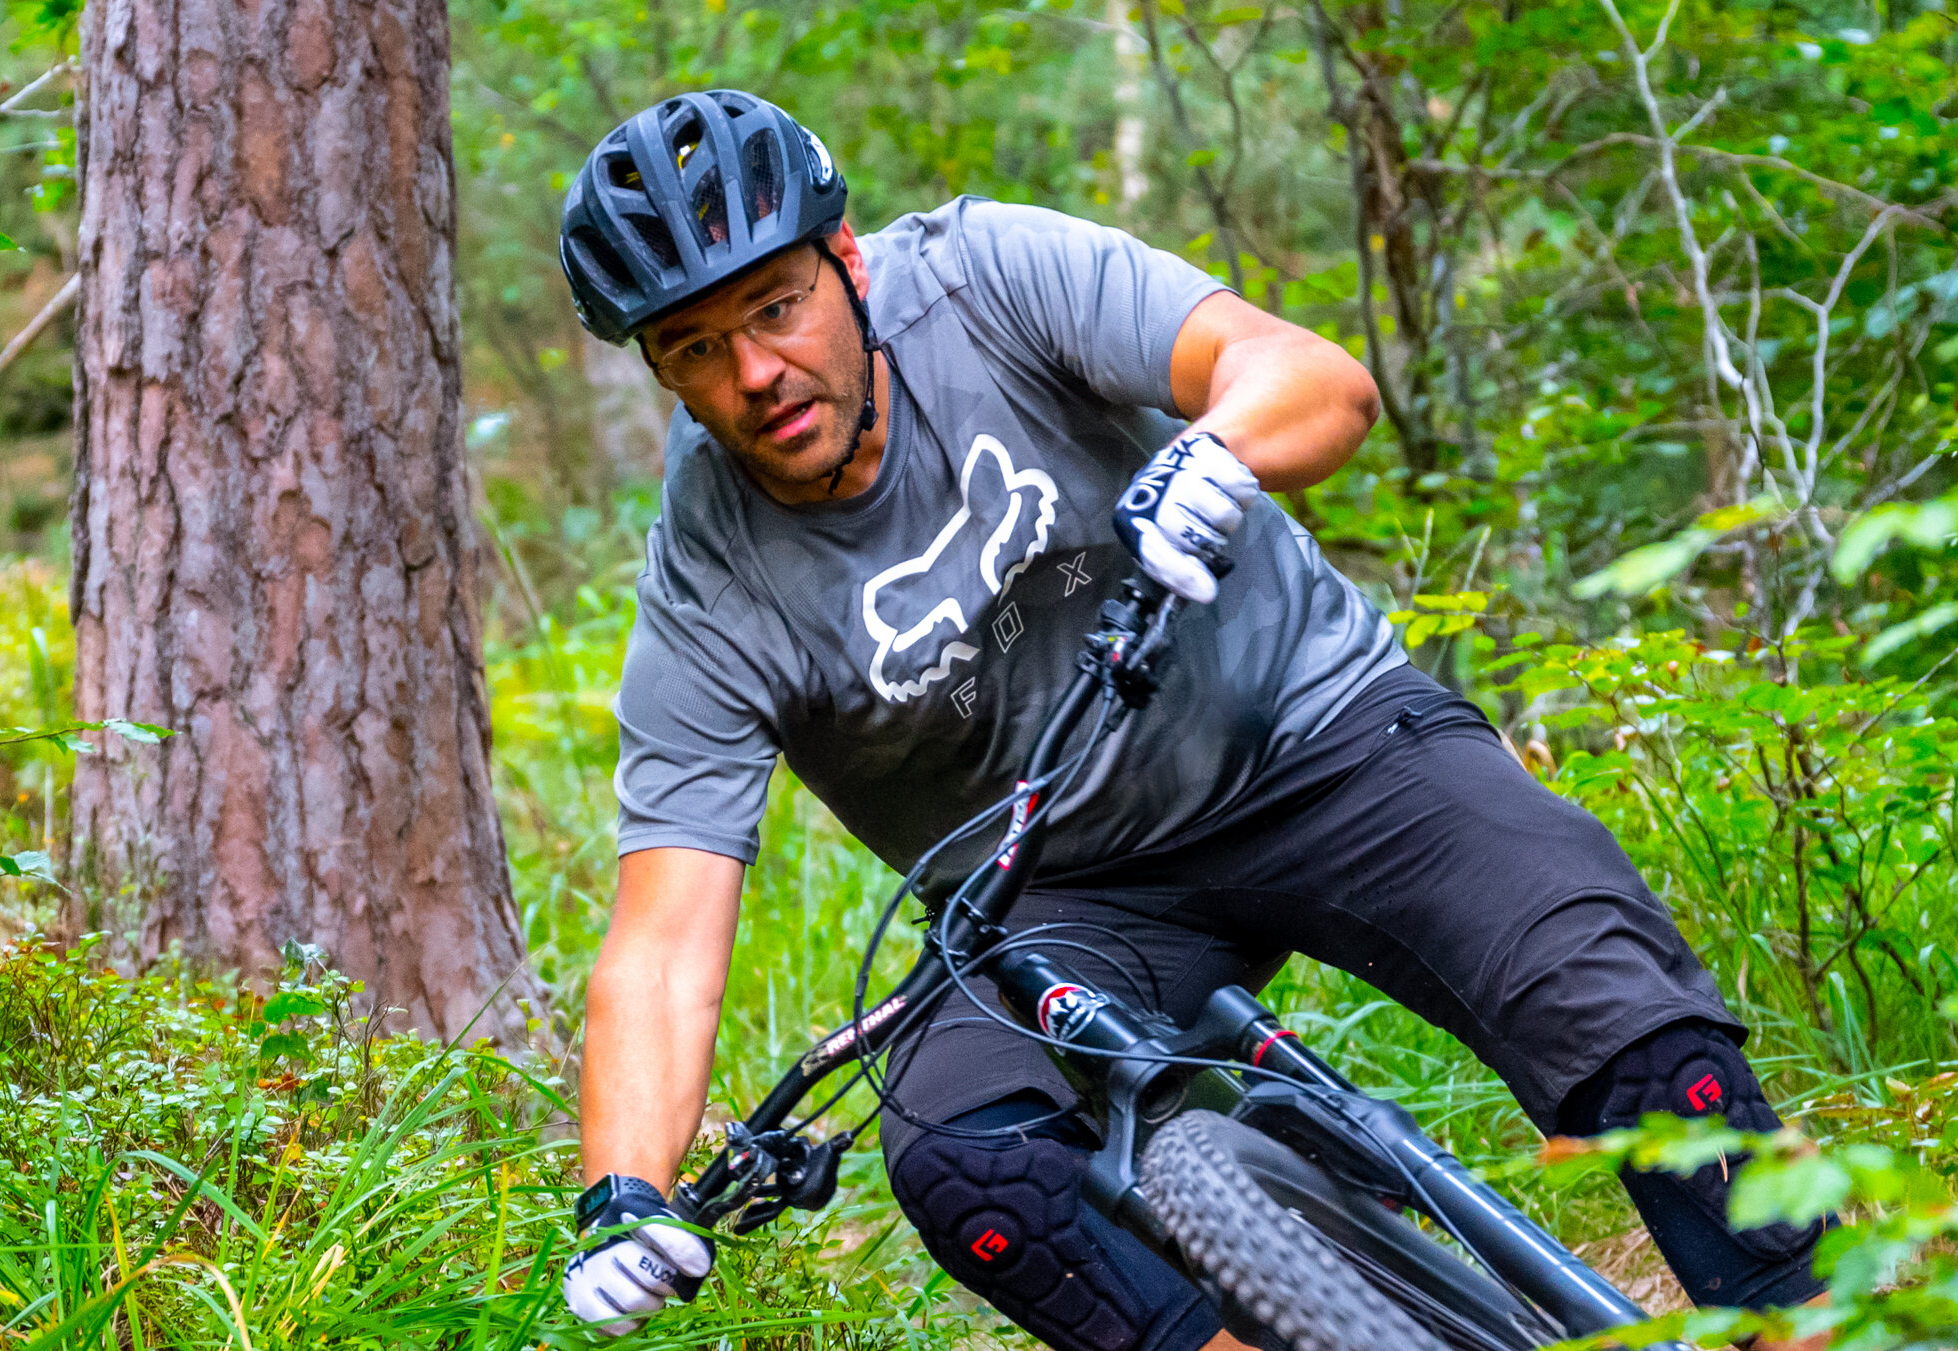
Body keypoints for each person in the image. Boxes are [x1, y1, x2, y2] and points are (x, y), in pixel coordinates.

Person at [546, 90, 1828, 1349]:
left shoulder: (989, 277)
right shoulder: (710, 578)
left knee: (1596, 980)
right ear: (663, 370)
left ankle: (1819, 1315)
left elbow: (1309, 378)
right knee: (971, 1167)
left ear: (848, 261)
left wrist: (1219, 451)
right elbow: (662, 937)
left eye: (775, 308)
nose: (756, 373)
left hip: (1316, 741)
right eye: (696, 348)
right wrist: (624, 1199)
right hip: (1058, 895)